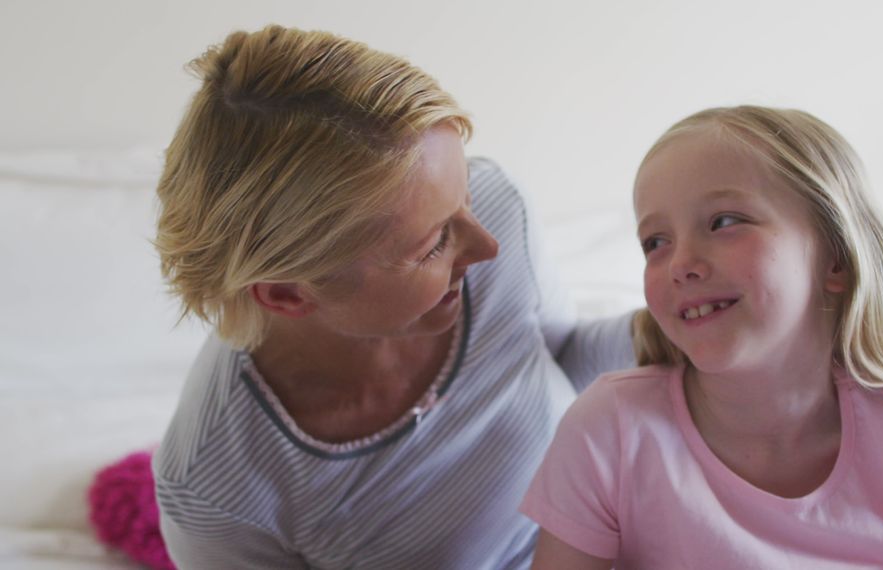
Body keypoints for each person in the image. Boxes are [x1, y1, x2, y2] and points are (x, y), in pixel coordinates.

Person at [151, 25, 634, 569]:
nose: (486, 245)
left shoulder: (500, 208)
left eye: (466, 197)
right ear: (287, 293)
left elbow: (561, 357)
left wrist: (669, 329)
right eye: (432, 246)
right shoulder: (215, 487)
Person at [520, 106, 883, 569]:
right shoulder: (609, 427)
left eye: (724, 221)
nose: (679, 263)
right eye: (655, 241)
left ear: (835, 258)